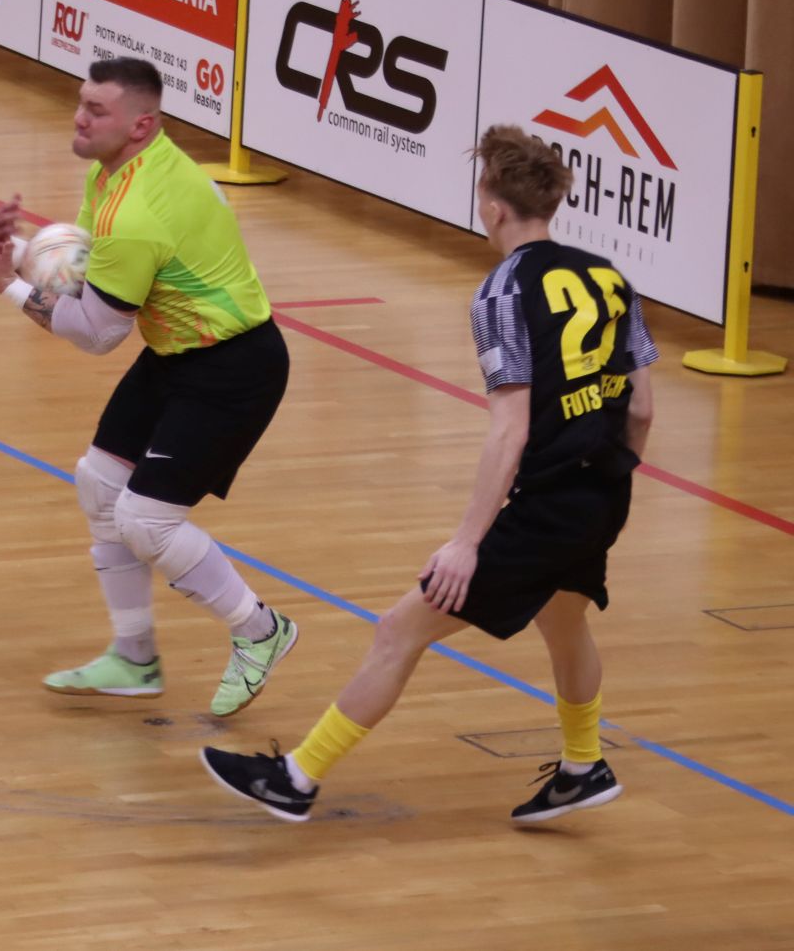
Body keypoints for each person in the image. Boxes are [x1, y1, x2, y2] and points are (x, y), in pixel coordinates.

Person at [201, 125, 658, 824]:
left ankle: (296, 779)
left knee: (398, 630)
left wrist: (467, 542)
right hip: (604, 493)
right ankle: (582, 765)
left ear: (493, 205)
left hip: (549, 505)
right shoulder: (611, 277)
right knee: (564, 621)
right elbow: (643, 409)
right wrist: (604, 481)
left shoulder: (503, 291)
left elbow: (510, 429)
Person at [0, 58, 298, 717]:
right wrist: (25, 251)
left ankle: (261, 630)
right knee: (99, 484)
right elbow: (95, 277)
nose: (79, 118)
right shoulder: (117, 172)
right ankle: (134, 658)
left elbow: (96, 333)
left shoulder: (138, 210)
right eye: (81, 102)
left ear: (140, 125)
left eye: (97, 110)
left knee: (146, 521)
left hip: (233, 370)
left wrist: (5, 282)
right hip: (178, 353)